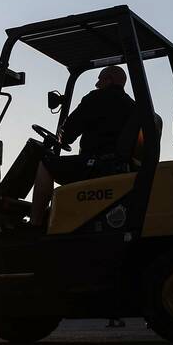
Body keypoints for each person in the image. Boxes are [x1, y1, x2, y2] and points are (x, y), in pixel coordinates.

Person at [30, 65, 137, 225]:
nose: (97, 85)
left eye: (100, 80)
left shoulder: (96, 98)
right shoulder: (133, 106)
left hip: (96, 166)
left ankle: (35, 223)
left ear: (109, 80)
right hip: (120, 167)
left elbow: (66, 136)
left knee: (46, 164)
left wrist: (60, 135)